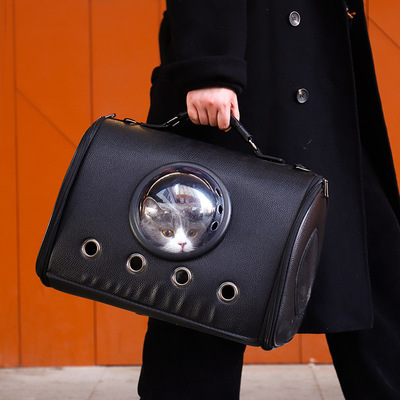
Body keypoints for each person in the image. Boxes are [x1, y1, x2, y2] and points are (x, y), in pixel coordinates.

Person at [137, 1, 400, 399]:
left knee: (369, 263)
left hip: (318, 58)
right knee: (204, 280)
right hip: (249, 66)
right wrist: (209, 63)